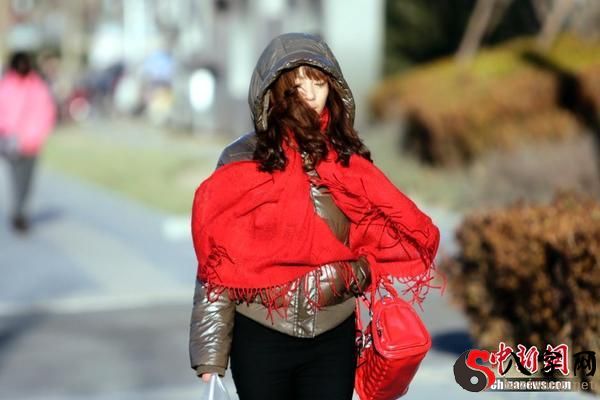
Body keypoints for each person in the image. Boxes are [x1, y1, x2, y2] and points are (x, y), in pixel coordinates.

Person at [189, 33, 440, 400]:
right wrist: (210, 360)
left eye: (318, 81)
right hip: (259, 335)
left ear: (332, 88)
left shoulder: (350, 159)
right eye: (296, 84)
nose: (308, 92)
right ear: (275, 91)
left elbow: (378, 243)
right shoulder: (241, 158)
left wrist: (349, 274)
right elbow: (217, 264)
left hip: (333, 336)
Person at [0, 51, 57, 233]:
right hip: (12, 141)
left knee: (27, 180)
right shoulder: (6, 84)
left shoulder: (37, 86)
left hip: (33, 142)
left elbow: (47, 111)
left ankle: (21, 210)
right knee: (16, 178)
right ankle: (18, 212)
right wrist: (6, 130)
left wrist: (40, 133)